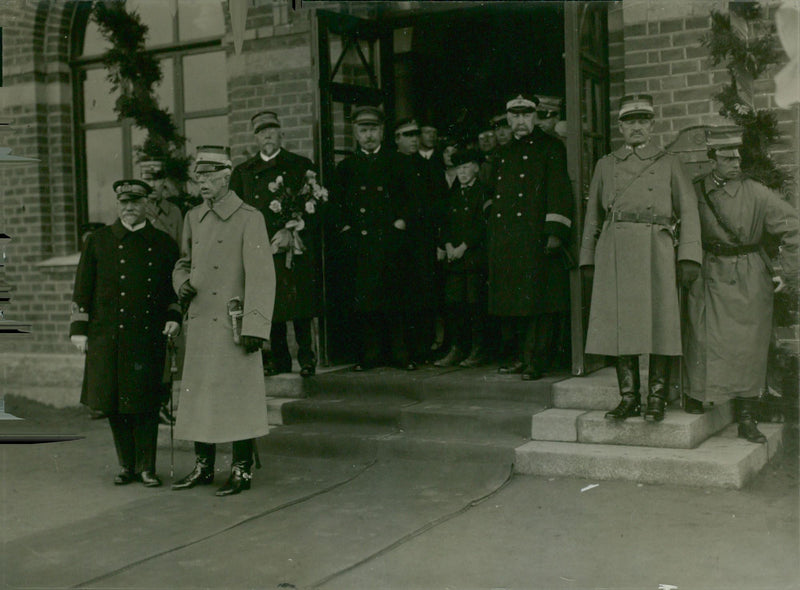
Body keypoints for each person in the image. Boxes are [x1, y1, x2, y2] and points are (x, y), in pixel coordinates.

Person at [580, 94, 702, 422]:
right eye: (630, 121)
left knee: (660, 321)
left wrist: (689, 256)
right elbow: (593, 216)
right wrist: (588, 258)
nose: (636, 127)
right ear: (620, 127)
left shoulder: (669, 162)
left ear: (652, 125)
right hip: (615, 250)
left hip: (656, 248)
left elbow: (689, 210)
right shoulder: (606, 164)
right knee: (622, 324)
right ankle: (629, 397)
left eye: (643, 121)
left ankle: (656, 398)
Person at [172, 146, 275, 496]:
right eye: (198, 176)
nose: (202, 182)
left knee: (238, 396)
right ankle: (203, 466)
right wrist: (181, 283)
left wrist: (255, 327)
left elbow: (262, 277)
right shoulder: (193, 217)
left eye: (209, 176)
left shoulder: (249, 218)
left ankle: (241, 469)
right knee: (200, 395)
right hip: (201, 322)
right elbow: (183, 262)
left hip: (235, 325)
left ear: (226, 176)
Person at [683, 127, 799, 441]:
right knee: (701, 335)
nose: (735, 163)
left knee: (749, 346)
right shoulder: (695, 190)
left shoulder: (757, 192)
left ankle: (747, 417)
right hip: (708, 271)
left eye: (737, 157)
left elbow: (793, 228)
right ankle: (698, 394)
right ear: (712, 160)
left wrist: (788, 274)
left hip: (748, 274)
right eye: (727, 158)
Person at [69, 179, 182, 487]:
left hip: (147, 335)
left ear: (147, 204)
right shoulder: (98, 241)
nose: (129, 207)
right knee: (114, 402)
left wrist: (174, 317)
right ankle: (126, 465)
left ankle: (147, 467)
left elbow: (172, 291)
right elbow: (82, 287)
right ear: (117, 205)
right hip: (108, 335)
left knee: (146, 403)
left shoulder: (163, 243)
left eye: (136, 201)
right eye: (124, 202)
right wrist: (79, 329)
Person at [487, 94, 573, 380]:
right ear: (508, 119)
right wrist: (493, 224)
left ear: (535, 116)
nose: (520, 121)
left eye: (526, 115)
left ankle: (537, 360)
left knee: (539, 302)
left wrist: (555, 231)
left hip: (536, 236)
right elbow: (491, 193)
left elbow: (559, 190)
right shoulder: (503, 152)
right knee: (512, 300)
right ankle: (519, 357)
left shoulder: (550, 147)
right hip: (507, 238)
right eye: (515, 116)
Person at [230, 110, 320, 378]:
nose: (267, 135)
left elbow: (314, 204)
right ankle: (280, 360)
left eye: (272, 130)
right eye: (261, 132)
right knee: (270, 304)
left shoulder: (300, 165)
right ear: (255, 138)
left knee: (300, 305)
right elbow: (236, 212)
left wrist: (292, 229)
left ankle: (307, 358)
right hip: (261, 247)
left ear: (281, 133)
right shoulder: (244, 172)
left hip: (293, 246)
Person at [331, 106, 410, 371]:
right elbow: (336, 204)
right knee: (365, 301)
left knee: (395, 298)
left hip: (390, 240)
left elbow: (411, 198)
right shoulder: (346, 167)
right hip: (361, 243)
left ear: (382, 132)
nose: (368, 136)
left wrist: (401, 221)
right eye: (363, 130)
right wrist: (345, 228)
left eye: (373, 130)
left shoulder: (397, 162)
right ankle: (370, 354)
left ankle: (400, 353)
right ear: (355, 133)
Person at [393, 117, 447, 366]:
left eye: (416, 134)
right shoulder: (388, 165)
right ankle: (402, 352)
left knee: (424, 294)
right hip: (398, 242)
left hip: (423, 240)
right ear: (397, 139)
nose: (414, 139)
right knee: (401, 297)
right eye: (408, 135)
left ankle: (423, 349)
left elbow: (439, 203)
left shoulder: (428, 167)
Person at [434, 148, 489, 368]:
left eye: (466, 167)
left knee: (475, 304)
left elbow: (482, 225)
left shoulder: (483, 193)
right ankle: (457, 348)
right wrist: (447, 245)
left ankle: (479, 349)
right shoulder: (454, 194)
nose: (462, 172)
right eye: (459, 168)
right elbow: (445, 222)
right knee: (454, 304)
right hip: (455, 261)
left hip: (474, 259)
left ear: (476, 168)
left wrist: (464, 246)